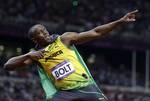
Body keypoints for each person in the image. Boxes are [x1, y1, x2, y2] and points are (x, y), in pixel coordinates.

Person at [4, 10, 138, 101]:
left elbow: (96, 32)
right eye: (41, 33)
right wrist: (28, 54)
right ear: (35, 39)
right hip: (65, 93)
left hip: (85, 86)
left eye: (45, 29)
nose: (46, 32)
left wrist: (120, 21)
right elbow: (8, 66)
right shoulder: (37, 55)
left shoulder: (64, 39)